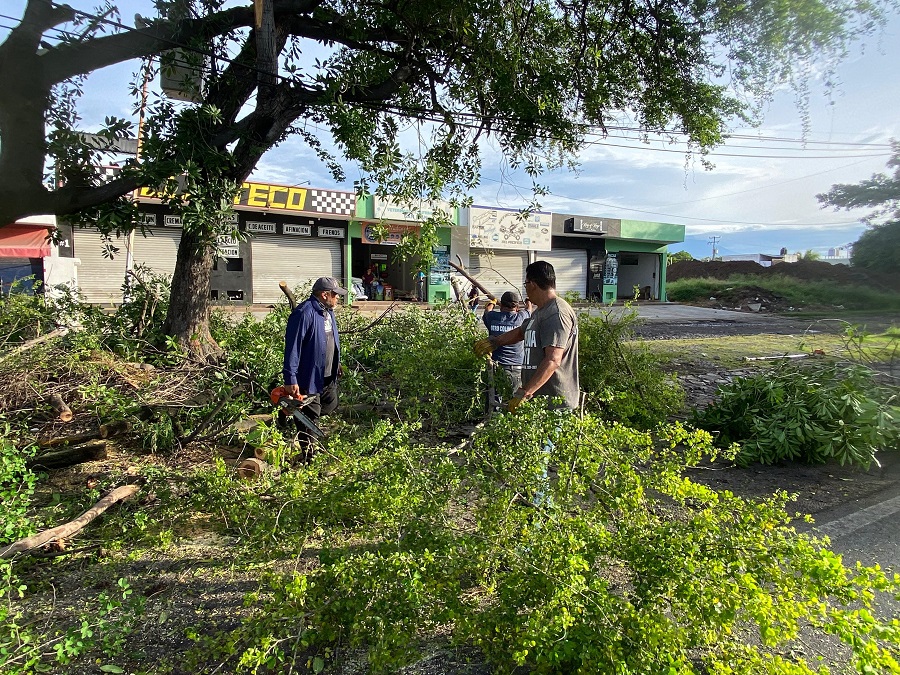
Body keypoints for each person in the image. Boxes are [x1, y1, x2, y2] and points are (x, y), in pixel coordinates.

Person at [474, 260, 579, 412]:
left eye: (526, 284)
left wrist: (525, 392)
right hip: (539, 402)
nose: (526, 289)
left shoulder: (556, 313)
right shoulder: (540, 311)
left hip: (554, 404)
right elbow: (521, 331)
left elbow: (553, 360)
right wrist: (495, 342)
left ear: (533, 284)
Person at [282, 276, 346, 452]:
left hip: (326, 374)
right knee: (310, 417)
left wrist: (336, 362)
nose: (338, 298)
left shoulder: (328, 312)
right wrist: (290, 378)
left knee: (330, 404)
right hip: (308, 376)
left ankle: (291, 413)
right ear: (325, 294)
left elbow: (330, 339)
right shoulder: (304, 313)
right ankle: (310, 457)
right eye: (336, 294)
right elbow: (292, 347)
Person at [481, 290, 532, 393]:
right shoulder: (522, 318)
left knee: (493, 399)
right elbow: (529, 310)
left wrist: (493, 301)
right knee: (513, 401)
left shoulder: (492, 317)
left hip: (496, 366)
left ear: (501, 306)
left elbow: (487, 310)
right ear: (517, 308)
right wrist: (528, 301)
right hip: (516, 367)